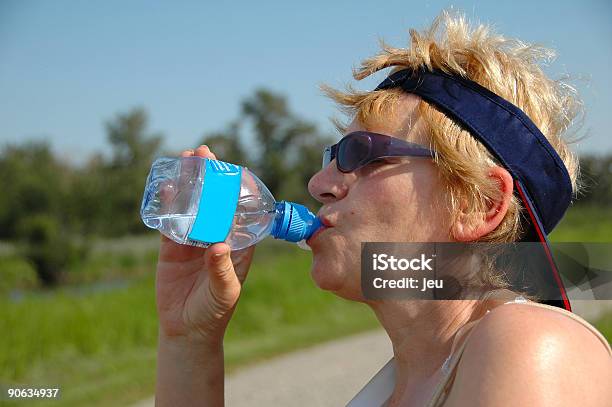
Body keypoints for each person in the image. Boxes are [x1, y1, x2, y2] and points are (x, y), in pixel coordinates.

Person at [154, 11, 612, 407]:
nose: (319, 184)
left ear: (479, 204)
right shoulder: (400, 387)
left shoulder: (529, 346)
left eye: (361, 154)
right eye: (330, 157)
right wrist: (189, 342)